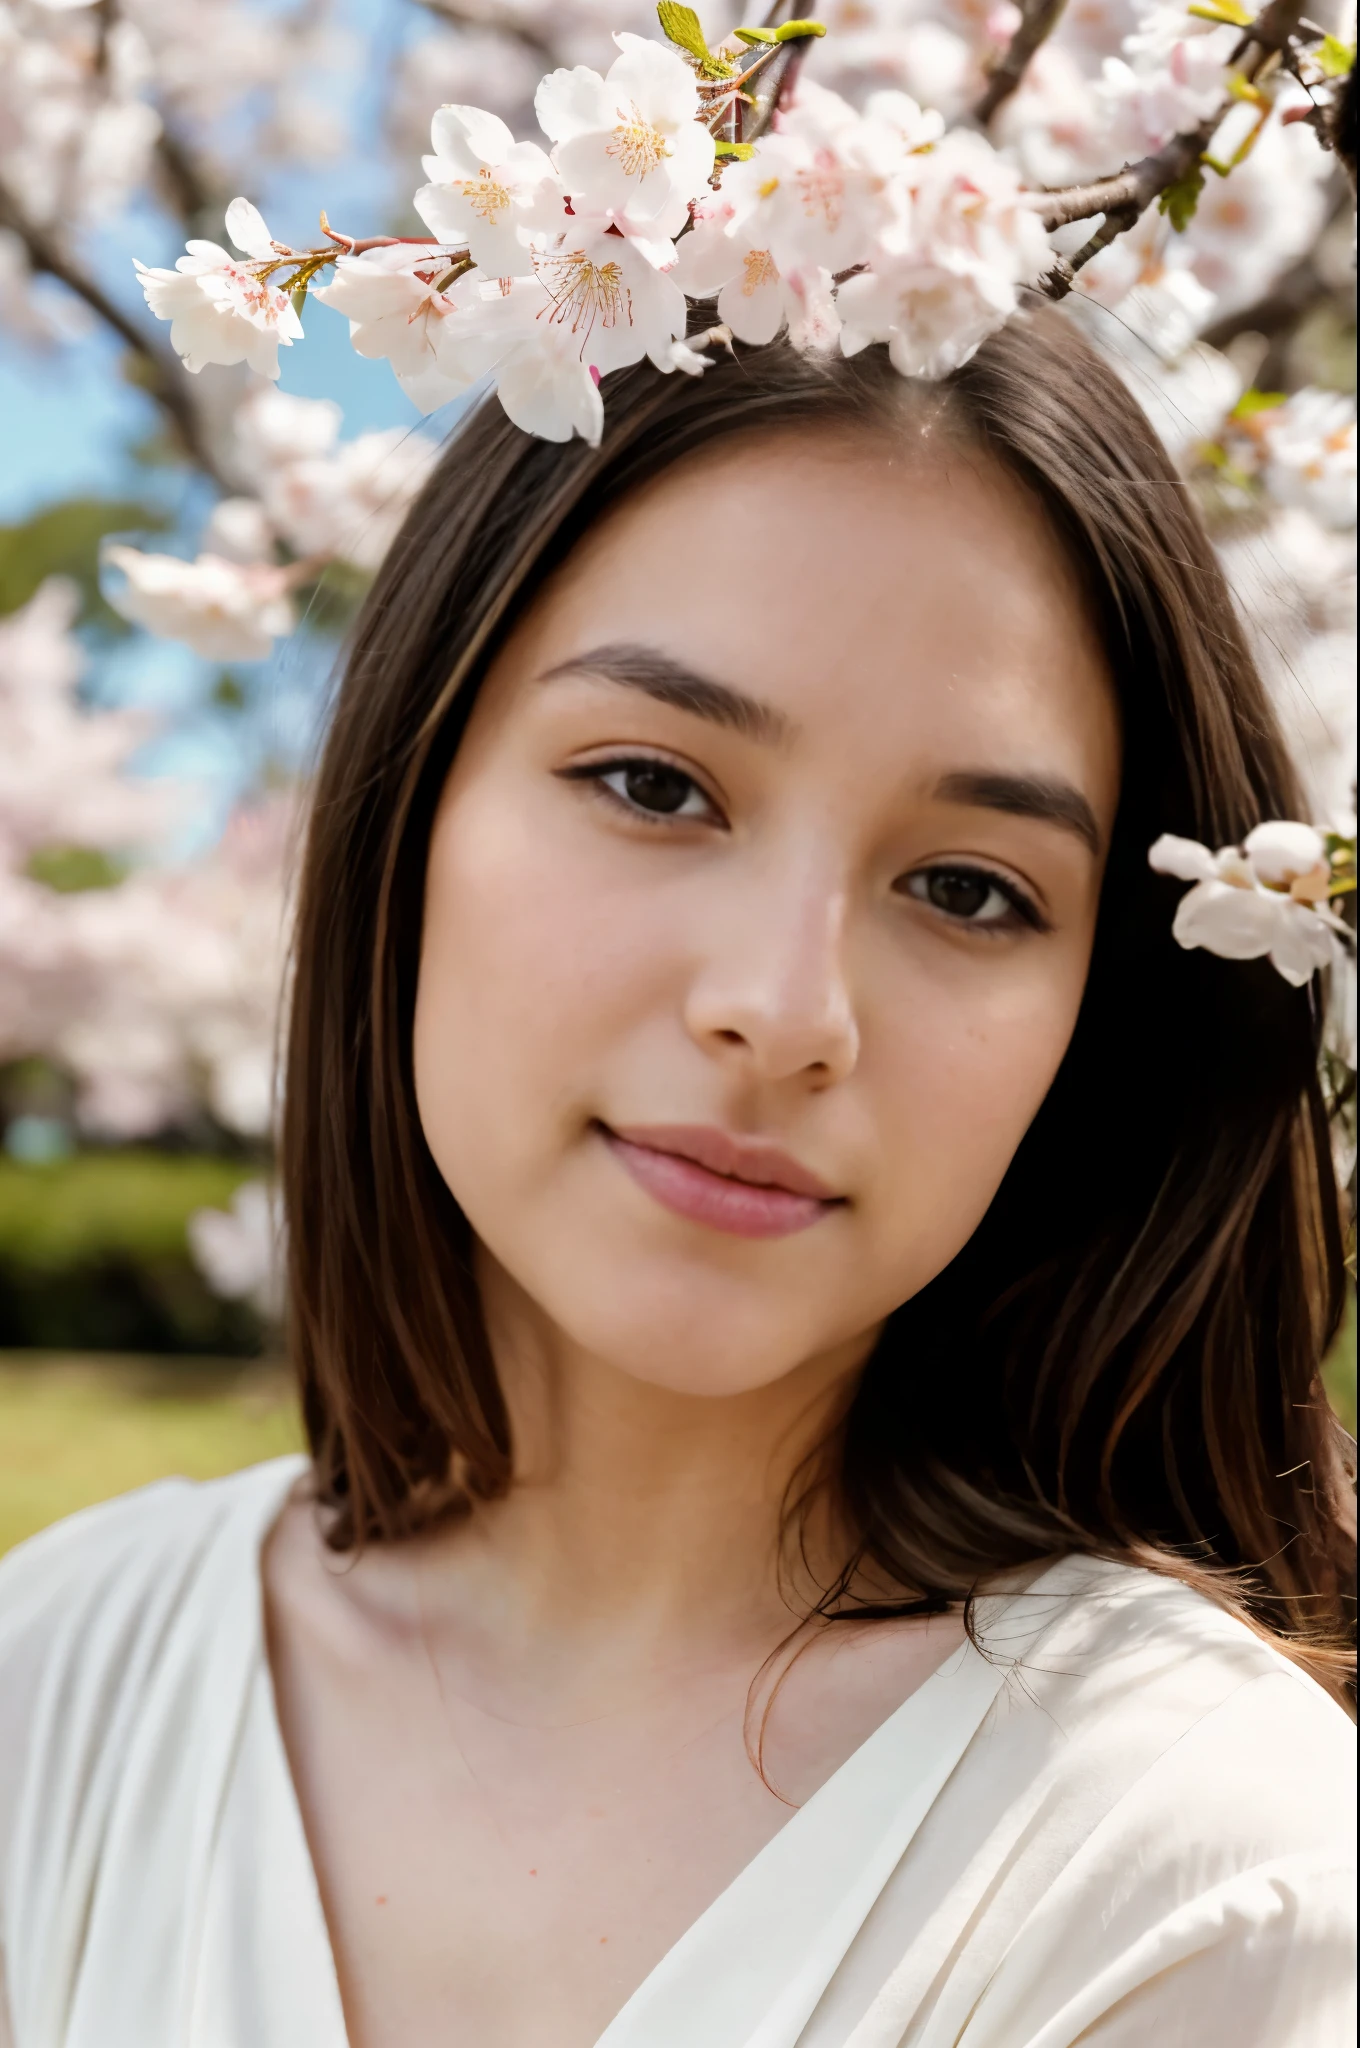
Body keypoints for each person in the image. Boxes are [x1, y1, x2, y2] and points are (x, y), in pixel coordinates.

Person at [0, 314, 1354, 2048]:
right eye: (654, 784)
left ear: (1096, 1024)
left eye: (969, 891)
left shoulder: (1202, 1876)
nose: (784, 1013)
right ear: (411, 805)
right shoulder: (66, 1678)